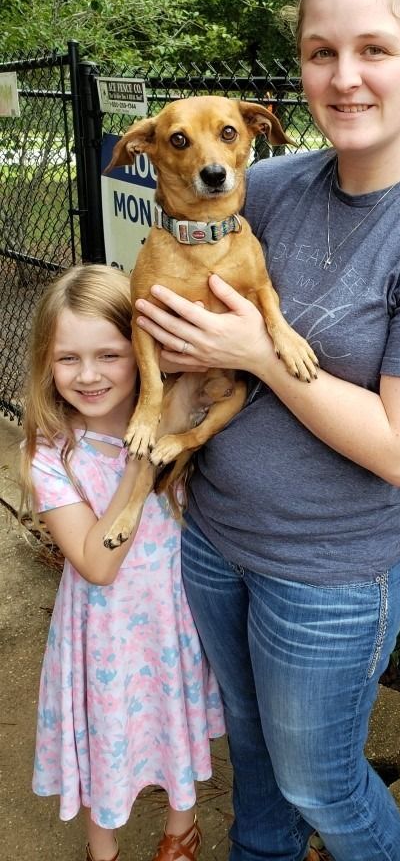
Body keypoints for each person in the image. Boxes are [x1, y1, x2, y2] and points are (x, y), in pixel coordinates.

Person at [131, 0, 400, 861]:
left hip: (328, 577)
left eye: (373, 49)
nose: (344, 77)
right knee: (252, 756)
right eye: (321, 52)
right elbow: (171, 277)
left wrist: (256, 353)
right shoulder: (270, 185)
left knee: (319, 781)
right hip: (216, 542)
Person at [20, 264, 225, 861]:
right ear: (46, 362)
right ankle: (101, 849)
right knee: (108, 740)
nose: (88, 376)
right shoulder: (52, 453)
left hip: (172, 621)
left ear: (141, 351)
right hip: (103, 636)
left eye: (109, 354)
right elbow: (96, 563)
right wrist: (145, 448)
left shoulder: (190, 427)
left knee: (172, 724)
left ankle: (180, 835)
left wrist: (173, 419)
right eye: (67, 359)